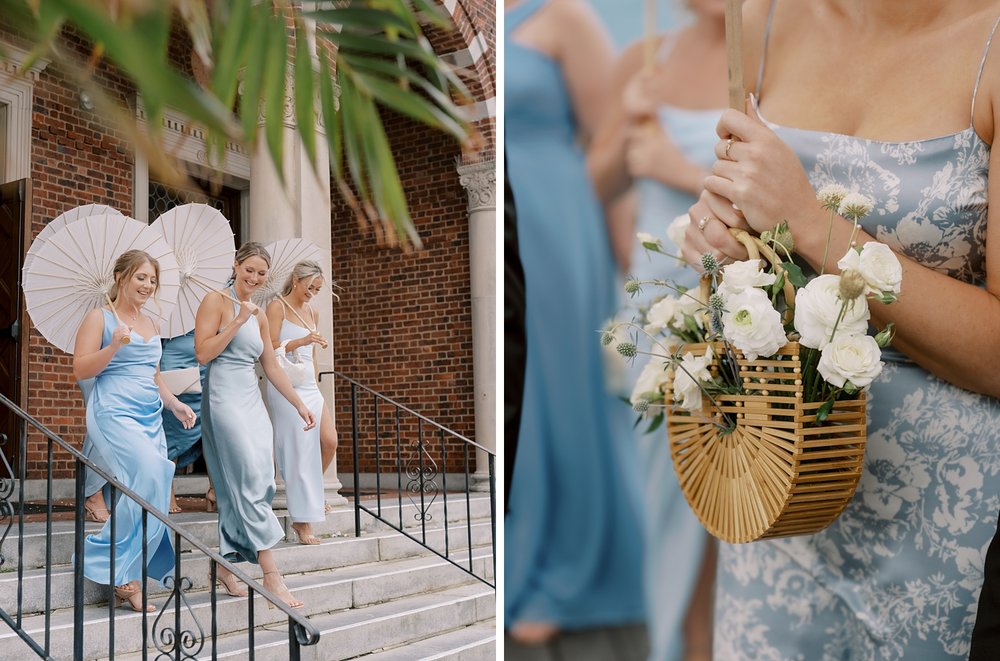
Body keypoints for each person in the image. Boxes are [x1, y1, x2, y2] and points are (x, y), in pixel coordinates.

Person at [684, 1, 1000, 657]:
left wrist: (810, 221)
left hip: (942, 534)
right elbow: (750, 252)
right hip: (780, 503)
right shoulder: (760, 21)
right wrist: (722, 250)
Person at [588, 2, 730, 658]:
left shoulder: (777, 57)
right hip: (656, 314)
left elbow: (798, 197)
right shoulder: (643, 58)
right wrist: (627, 136)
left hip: (742, 303)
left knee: (735, 495)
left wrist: (676, 167)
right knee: (668, 499)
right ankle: (678, 642)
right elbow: (592, 182)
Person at [505, 0, 646, 651]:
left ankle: (567, 568)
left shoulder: (567, 17)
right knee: (518, 385)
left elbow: (613, 140)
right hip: (507, 228)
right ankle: (522, 555)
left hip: (560, 229)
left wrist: (628, 266)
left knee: (560, 386)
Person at [194, 241, 316, 608]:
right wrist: (237, 320)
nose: (255, 277)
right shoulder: (214, 301)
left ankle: (226, 564)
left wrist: (298, 404)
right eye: (249, 269)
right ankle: (271, 574)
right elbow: (203, 353)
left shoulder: (262, 313)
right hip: (222, 397)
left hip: (250, 396)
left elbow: (272, 365)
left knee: (260, 479)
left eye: (262, 273)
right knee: (246, 478)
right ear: (235, 265)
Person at [73, 249, 197, 612]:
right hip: (113, 411)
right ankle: (106, 558)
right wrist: (113, 346)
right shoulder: (99, 318)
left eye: (152, 280)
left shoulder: (152, 324)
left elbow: (153, 375)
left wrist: (174, 403)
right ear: (121, 277)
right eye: (141, 277)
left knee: (157, 481)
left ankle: (126, 571)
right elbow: (80, 370)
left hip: (149, 414)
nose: (147, 285)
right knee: (150, 474)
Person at [264, 260, 337, 545]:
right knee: (297, 454)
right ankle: (301, 521)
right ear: (296, 279)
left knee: (329, 441)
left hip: (309, 385)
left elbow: (312, 354)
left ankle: (313, 494)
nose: (312, 293)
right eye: (310, 287)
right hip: (285, 386)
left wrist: (316, 374)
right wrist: (301, 341)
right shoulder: (277, 307)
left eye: (317, 289)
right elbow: (267, 349)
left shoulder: (313, 311)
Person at [158, 329, 206, 513]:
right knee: (173, 430)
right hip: (175, 359)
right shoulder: (168, 304)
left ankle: (214, 490)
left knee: (210, 429)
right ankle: (167, 489)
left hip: (203, 362)